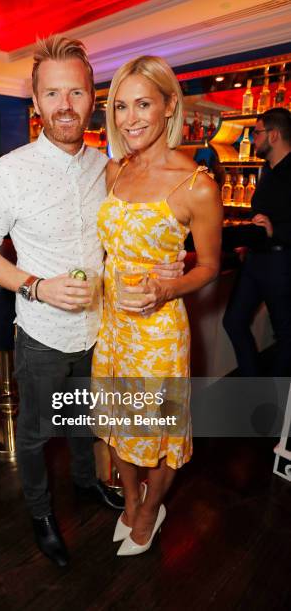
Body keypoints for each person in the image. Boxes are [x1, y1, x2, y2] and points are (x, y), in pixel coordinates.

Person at [0, 36, 184, 567]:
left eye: (77, 93)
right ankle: (41, 513)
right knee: (38, 434)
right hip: (42, 334)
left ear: (93, 98)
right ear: (35, 102)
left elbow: (139, 227)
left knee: (91, 421)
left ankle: (88, 485)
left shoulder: (109, 168)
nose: (66, 105)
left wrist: (168, 265)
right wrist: (36, 285)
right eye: (53, 94)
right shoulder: (7, 172)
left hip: (107, 332)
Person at [91, 55, 222, 556]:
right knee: (117, 425)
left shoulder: (197, 185)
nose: (130, 118)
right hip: (113, 326)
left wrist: (170, 285)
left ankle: (151, 507)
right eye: (121, 106)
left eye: (143, 103)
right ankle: (129, 499)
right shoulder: (115, 171)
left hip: (158, 332)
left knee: (160, 431)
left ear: (169, 106)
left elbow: (208, 266)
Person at [223, 108, 291, 376]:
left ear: (273, 135)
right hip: (255, 260)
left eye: (257, 132)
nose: (252, 138)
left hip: (281, 261)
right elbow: (259, 212)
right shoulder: (267, 169)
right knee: (233, 321)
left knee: (285, 335)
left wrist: (276, 230)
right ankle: (254, 384)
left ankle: (276, 396)